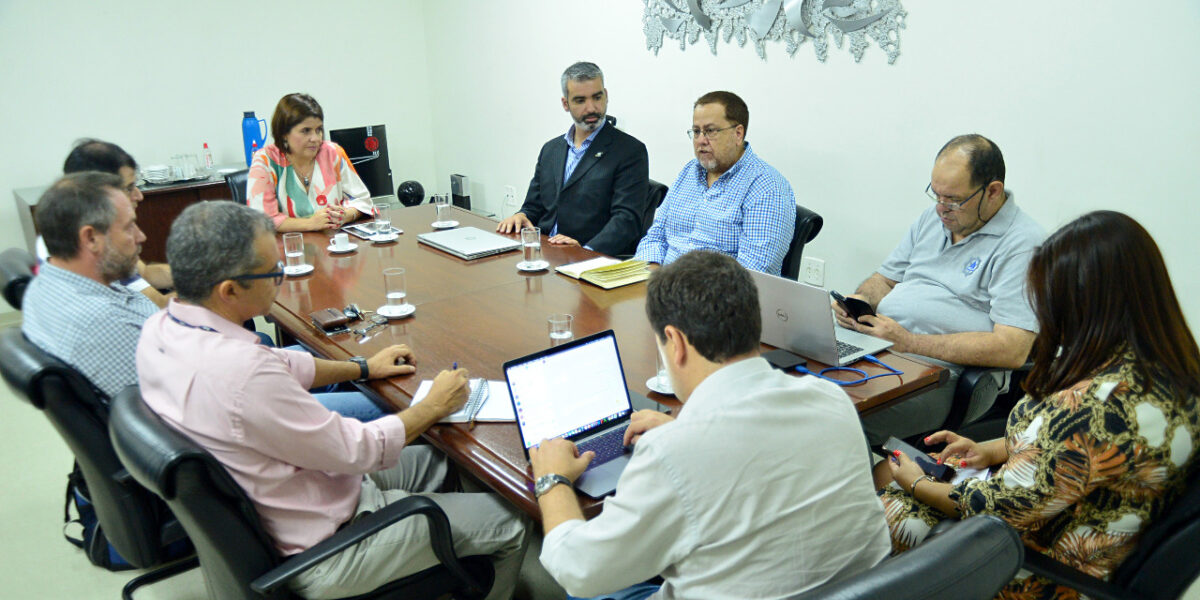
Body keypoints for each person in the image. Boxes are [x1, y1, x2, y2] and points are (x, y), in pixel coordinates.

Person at [136, 201, 530, 599]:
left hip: (294, 494)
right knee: (514, 521)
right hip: (326, 549)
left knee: (447, 460)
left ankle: (442, 563)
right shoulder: (244, 375)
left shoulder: (162, 329)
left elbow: (282, 362)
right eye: (274, 272)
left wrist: (362, 368)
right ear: (229, 290)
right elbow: (358, 450)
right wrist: (433, 406)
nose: (282, 277)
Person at [531, 250, 890, 599]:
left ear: (675, 342)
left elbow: (578, 571)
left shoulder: (672, 454)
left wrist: (553, 479)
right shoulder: (832, 401)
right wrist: (681, 431)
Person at [878, 211, 1200, 600]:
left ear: (1083, 304)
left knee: (881, 506)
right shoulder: (1165, 372)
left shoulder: (1096, 407)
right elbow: (1075, 458)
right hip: (1072, 533)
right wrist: (991, 449)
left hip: (1038, 573)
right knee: (898, 479)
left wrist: (915, 482)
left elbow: (991, 509)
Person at [836, 134, 1045, 443]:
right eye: (936, 196)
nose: (941, 209)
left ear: (993, 191)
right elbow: (885, 279)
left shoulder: (1023, 244)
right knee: (790, 387)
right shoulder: (933, 220)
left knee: (837, 419)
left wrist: (909, 342)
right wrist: (859, 300)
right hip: (885, 350)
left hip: (946, 377)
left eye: (954, 200)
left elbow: (1012, 349)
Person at [22, 172, 156, 399]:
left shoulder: (43, 285)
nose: (141, 236)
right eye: (129, 227)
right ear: (91, 238)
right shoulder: (106, 323)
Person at [632, 91, 795, 275]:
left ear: (738, 134)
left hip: (715, 298)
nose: (701, 141)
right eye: (696, 132)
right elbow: (656, 236)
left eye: (710, 131)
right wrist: (651, 278)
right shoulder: (689, 172)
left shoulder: (766, 187)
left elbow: (752, 273)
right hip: (662, 287)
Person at [496, 62, 649, 256]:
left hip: (589, 259)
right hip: (545, 254)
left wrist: (585, 250)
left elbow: (627, 220)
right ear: (565, 104)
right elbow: (534, 206)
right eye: (580, 100)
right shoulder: (551, 150)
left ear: (606, 96)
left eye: (597, 97)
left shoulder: (629, 151)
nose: (591, 108)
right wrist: (521, 216)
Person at [33, 139, 173, 308]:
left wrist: (200, 273)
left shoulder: (63, 228)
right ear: (98, 190)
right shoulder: (99, 245)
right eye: (128, 188)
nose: (138, 196)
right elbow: (160, 305)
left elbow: (146, 273)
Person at [247, 93, 372, 232]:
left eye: (318, 130)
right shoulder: (265, 160)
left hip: (334, 246)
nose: (315, 138)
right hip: (287, 248)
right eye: (306, 131)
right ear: (284, 134)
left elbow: (363, 200)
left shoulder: (333, 153)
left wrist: (346, 215)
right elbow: (261, 220)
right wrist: (311, 223)